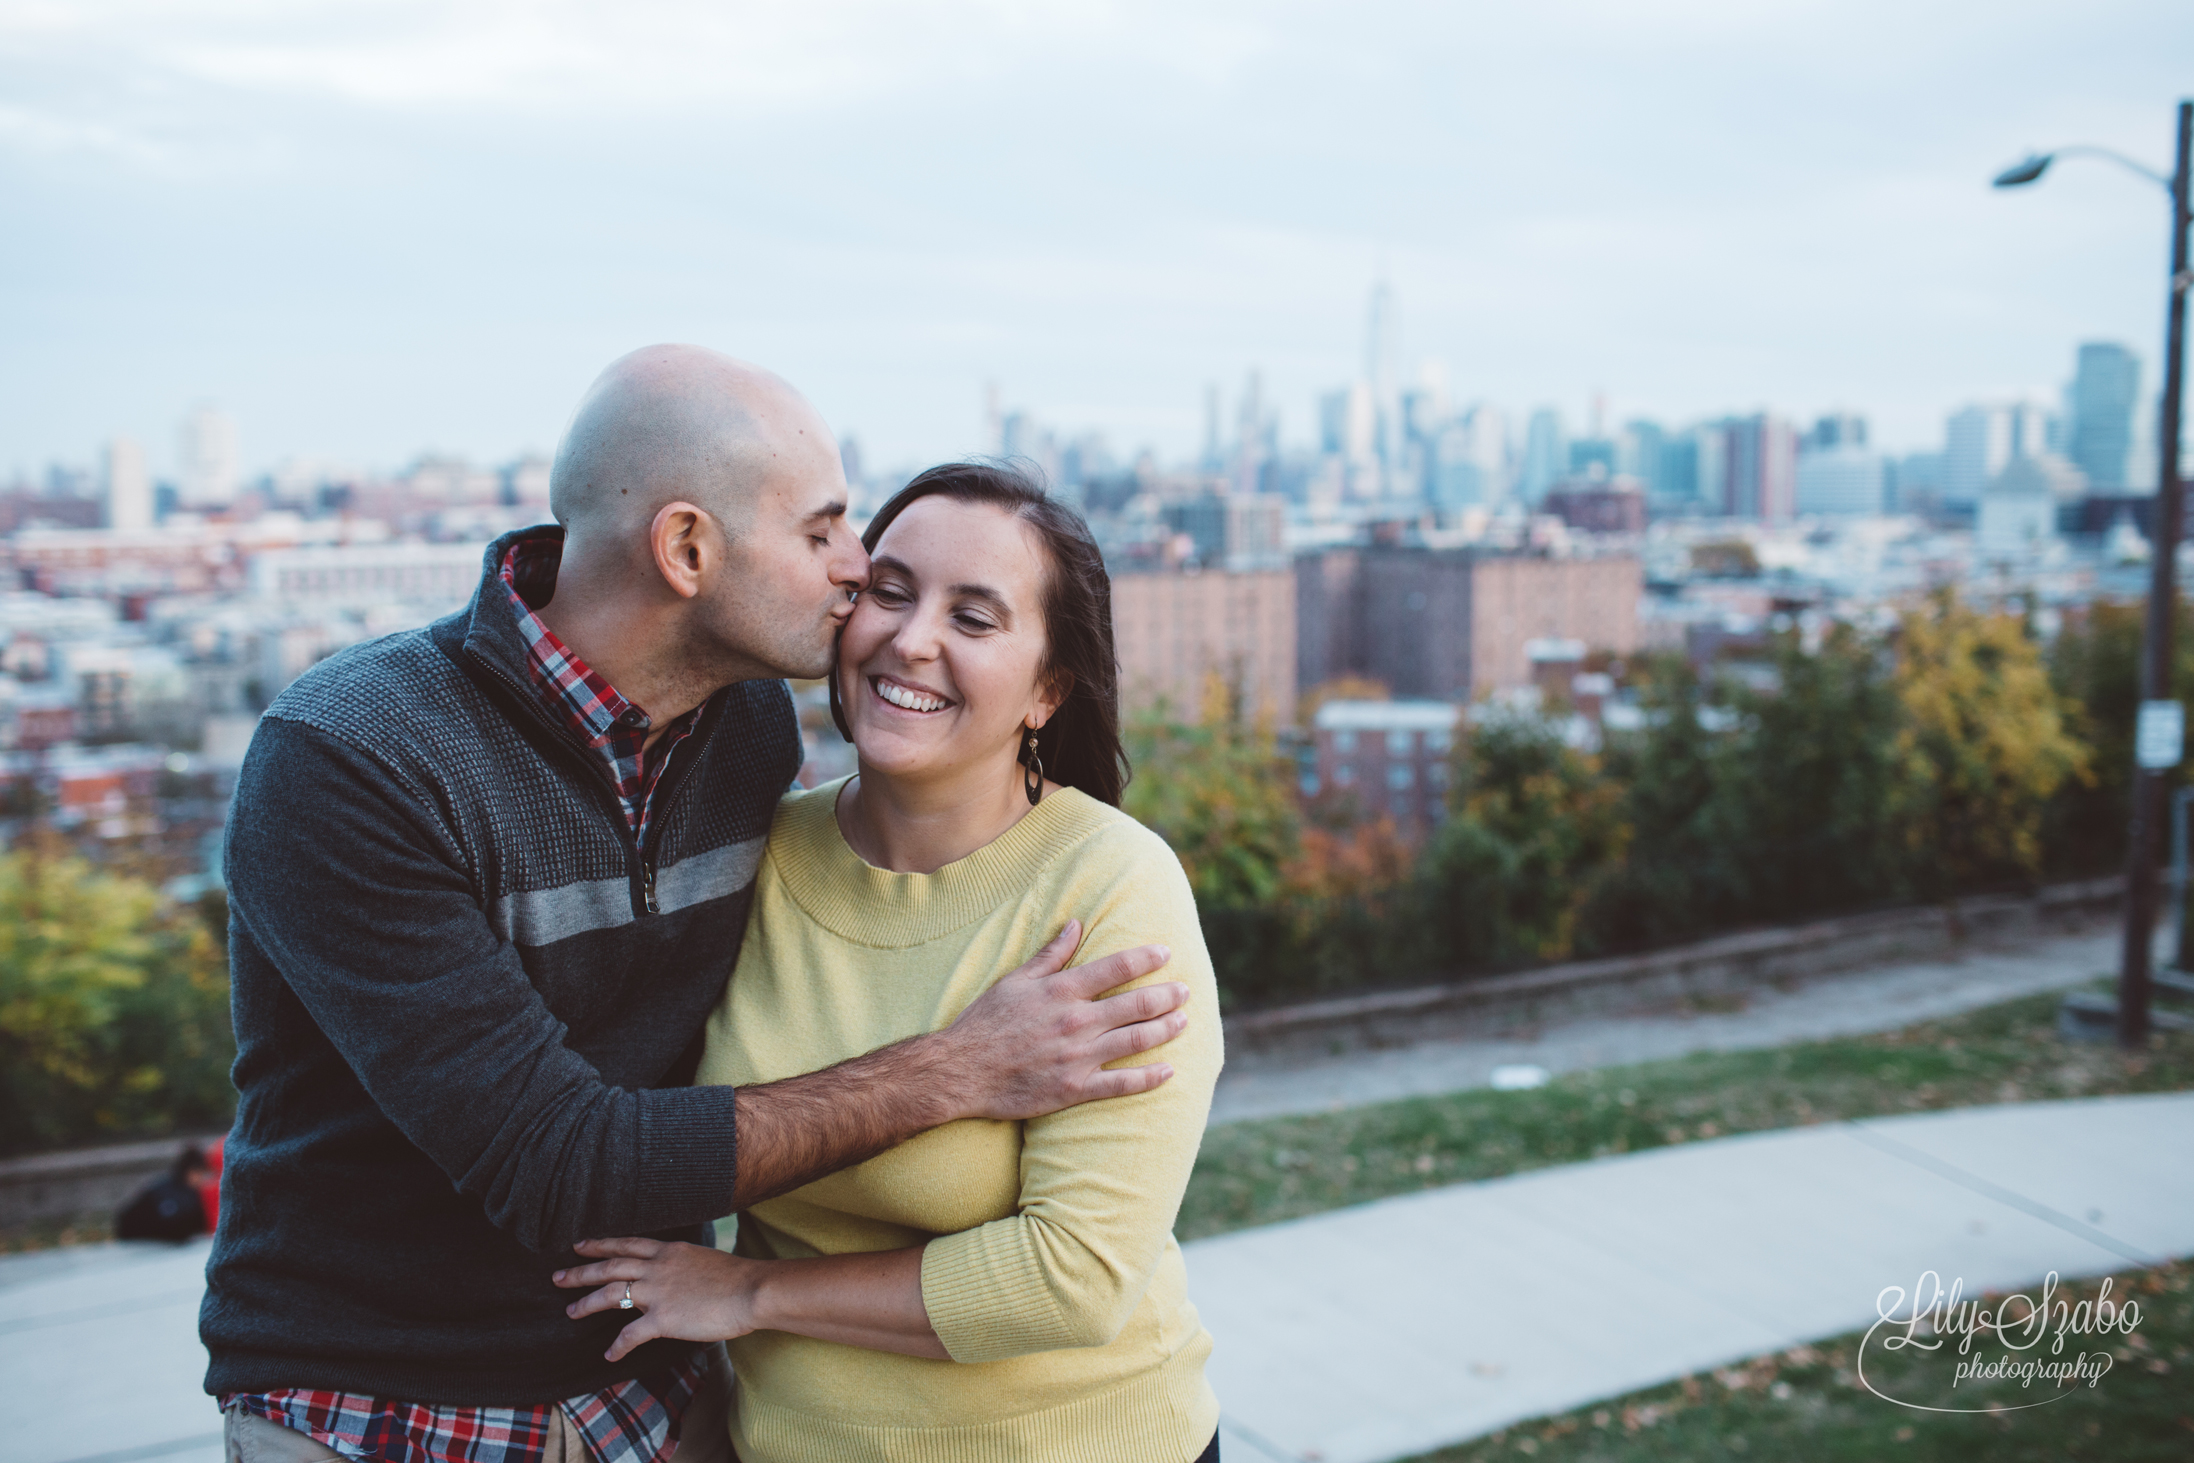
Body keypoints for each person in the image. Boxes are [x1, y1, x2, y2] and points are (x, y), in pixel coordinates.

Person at [203, 349, 1192, 1463]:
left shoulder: (747, 736)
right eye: (822, 533)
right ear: (685, 550)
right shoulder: (355, 757)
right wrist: (954, 1067)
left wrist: (741, 1297)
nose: (856, 572)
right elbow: (556, 1157)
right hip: (387, 1393)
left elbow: (1076, 1267)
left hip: (648, 1383)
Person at [554, 463, 1224, 1463]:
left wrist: (748, 1291)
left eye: (975, 616)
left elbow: (1072, 1276)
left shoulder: (1108, 886)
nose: (911, 638)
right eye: (891, 589)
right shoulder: (753, 852)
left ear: (1047, 689)